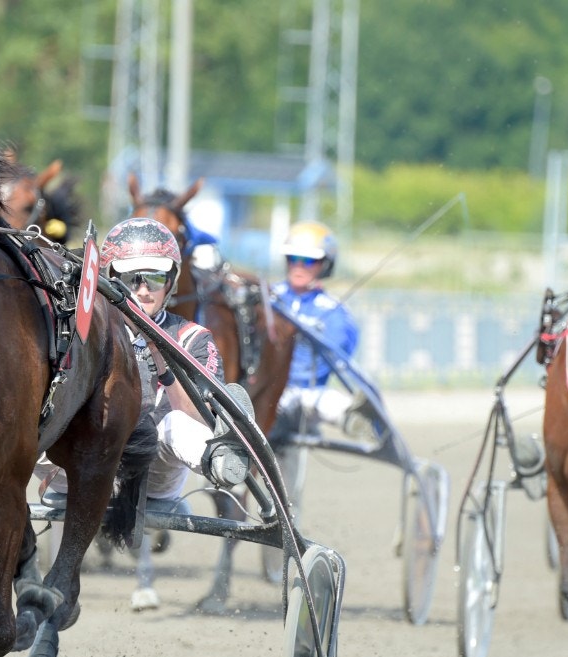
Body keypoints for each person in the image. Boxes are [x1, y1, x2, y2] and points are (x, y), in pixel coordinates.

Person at [33, 217, 229, 610]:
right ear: (109, 277)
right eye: (131, 278)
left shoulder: (194, 339)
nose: (142, 289)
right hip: (79, 466)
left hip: (156, 471)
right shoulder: (80, 330)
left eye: (154, 279)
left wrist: (161, 355)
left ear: (171, 282)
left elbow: (198, 420)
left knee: (173, 424)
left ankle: (223, 465)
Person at [270, 220, 374, 444]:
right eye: (292, 259)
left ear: (324, 265)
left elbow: (339, 360)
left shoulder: (335, 313)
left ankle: (353, 416)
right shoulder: (266, 297)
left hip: (306, 397)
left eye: (308, 261)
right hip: (263, 390)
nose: (299, 266)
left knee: (326, 401)